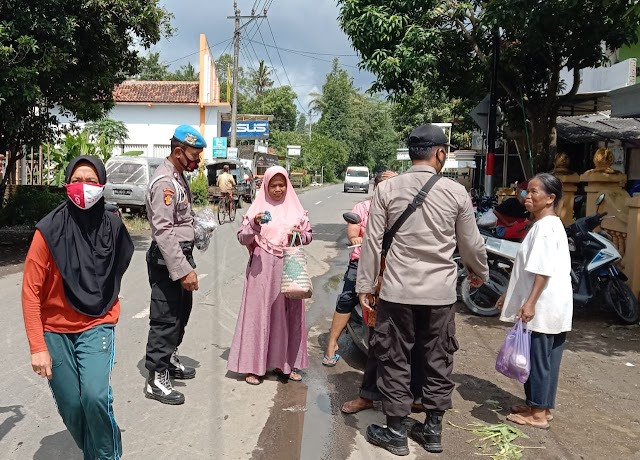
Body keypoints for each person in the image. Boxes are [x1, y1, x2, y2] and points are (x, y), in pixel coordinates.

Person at [356, 124, 489, 456]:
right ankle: (432, 431)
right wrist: (479, 273)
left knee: (394, 358)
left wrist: (366, 285)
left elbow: (372, 243)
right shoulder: (457, 192)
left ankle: (397, 433)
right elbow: (470, 243)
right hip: (440, 295)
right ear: (440, 153)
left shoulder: (386, 190)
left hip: (397, 293)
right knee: (437, 359)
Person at [22, 155, 134, 460]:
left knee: (95, 397)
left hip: (97, 322)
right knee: (72, 405)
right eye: (77, 180)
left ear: (102, 185)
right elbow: (30, 292)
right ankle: (98, 450)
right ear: (66, 184)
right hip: (54, 331)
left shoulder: (111, 224)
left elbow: (120, 262)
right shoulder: (47, 231)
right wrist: (37, 346)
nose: (83, 187)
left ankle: (106, 456)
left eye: (91, 180)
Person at [496, 173, 572, 429]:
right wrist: (510, 295)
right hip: (549, 304)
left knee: (537, 358)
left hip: (543, 305)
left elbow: (542, 270)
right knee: (546, 358)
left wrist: (529, 303)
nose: (527, 196)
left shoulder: (546, 228)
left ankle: (538, 414)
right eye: (527, 191)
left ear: (550, 198)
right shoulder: (546, 225)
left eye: (534, 192)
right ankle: (539, 405)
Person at [227, 166, 312, 385]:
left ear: (287, 185)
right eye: (272, 185)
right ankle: (254, 367)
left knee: (288, 315)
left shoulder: (296, 209)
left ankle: (287, 365)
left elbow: (309, 236)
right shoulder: (257, 209)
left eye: (281, 184)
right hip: (262, 269)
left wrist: (299, 235)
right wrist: (254, 224)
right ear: (265, 186)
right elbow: (243, 238)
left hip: (289, 266)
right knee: (259, 315)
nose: (277, 189)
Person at [144, 125, 206, 405]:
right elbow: (163, 231)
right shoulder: (164, 183)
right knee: (165, 317)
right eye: (194, 154)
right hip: (168, 258)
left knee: (182, 312)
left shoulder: (178, 176)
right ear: (178, 152)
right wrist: (183, 269)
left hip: (181, 253)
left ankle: (168, 359)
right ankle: (156, 378)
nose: (198, 160)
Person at [322, 170, 398, 367]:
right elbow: (353, 231)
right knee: (347, 298)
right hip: (362, 261)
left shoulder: (401, 210)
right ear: (376, 188)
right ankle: (331, 345)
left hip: (393, 264)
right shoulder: (363, 208)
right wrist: (356, 238)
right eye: (385, 186)